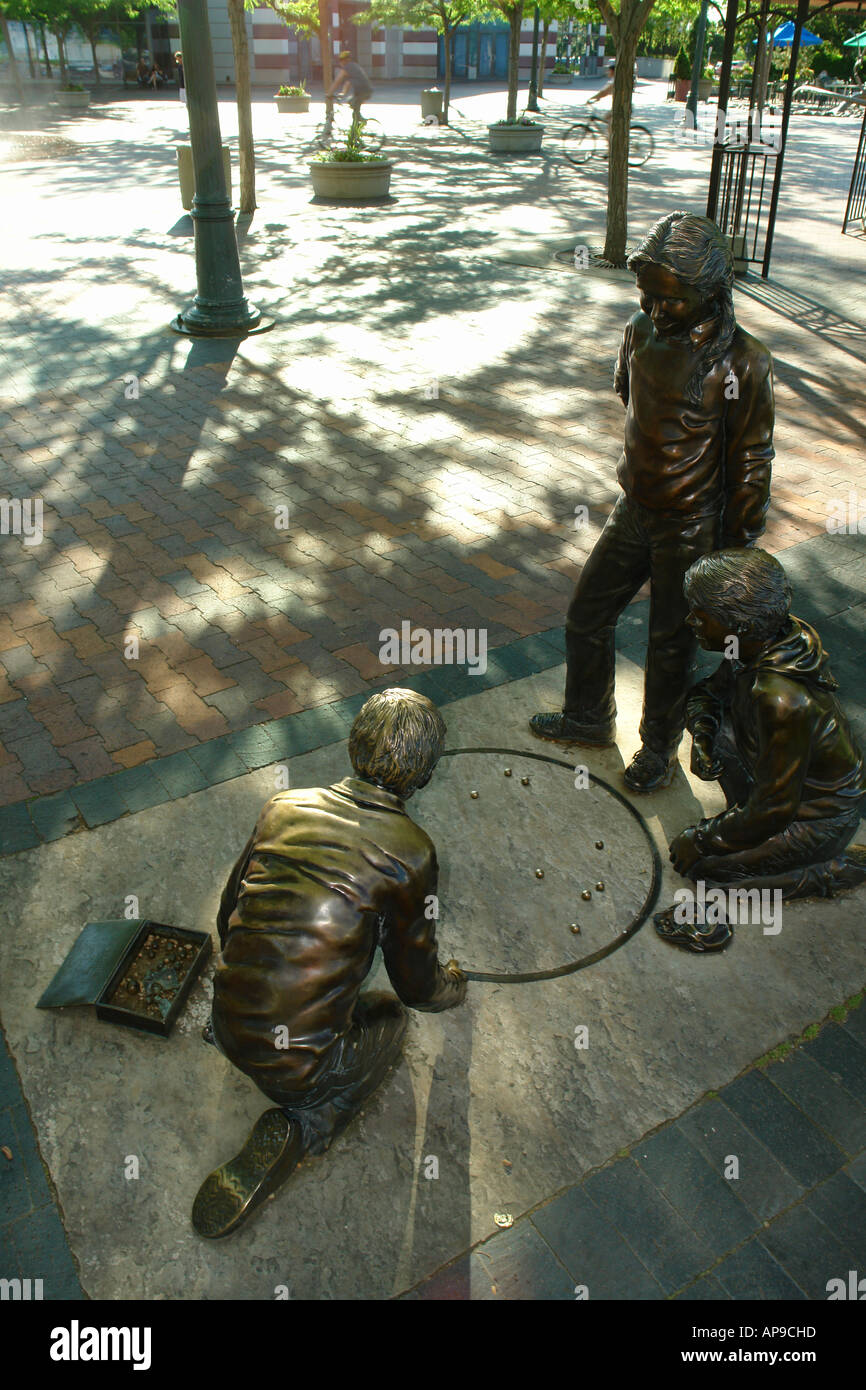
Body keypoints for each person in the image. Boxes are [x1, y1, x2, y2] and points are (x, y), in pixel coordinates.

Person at [192, 688, 467, 1238]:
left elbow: (228, 917)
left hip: (226, 1019)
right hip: (298, 1070)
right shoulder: (411, 851)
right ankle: (311, 1124)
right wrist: (452, 986)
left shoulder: (284, 807)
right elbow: (416, 988)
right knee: (389, 1017)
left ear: (352, 744)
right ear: (424, 776)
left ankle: (242, 1041)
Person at [529, 211, 775, 792]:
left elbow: (750, 458)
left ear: (711, 293)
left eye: (672, 301)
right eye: (649, 296)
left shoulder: (744, 360)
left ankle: (659, 750)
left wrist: (738, 544)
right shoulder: (639, 329)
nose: (658, 310)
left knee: (671, 645)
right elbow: (629, 393)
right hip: (634, 509)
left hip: (694, 526)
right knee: (586, 616)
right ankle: (588, 718)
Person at [656, 549, 866, 950]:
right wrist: (702, 736)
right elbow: (706, 694)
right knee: (720, 740)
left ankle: (832, 871)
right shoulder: (754, 645)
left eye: (701, 614)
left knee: (705, 869)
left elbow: (775, 810)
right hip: (776, 787)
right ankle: (743, 834)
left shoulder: (779, 698)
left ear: (738, 624)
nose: (690, 621)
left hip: (820, 816)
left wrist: (700, 839)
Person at [328, 48, 373, 122]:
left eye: (341, 60)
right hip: (365, 91)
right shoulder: (354, 66)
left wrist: (329, 93)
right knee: (352, 103)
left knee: (353, 105)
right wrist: (343, 93)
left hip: (363, 92)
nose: (341, 62)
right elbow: (348, 83)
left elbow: (337, 81)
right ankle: (358, 122)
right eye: (340, 60)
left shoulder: (347, 67)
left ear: (346, 60)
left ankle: (357, 127)